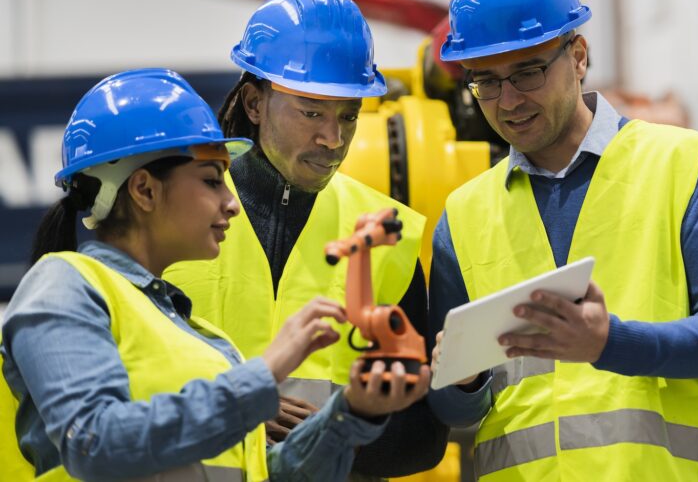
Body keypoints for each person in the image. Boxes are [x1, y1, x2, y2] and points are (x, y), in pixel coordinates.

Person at [427, 0, 698, 481]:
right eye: (486, 81)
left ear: (579, 56)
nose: (508, 101)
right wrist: (463, 383)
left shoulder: (683, 167)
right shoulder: (463, 216)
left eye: (527, 72)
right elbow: (453, 410)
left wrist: (611, 344)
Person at [0, 68, 427, 481]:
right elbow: (94, 443)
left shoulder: (202, 337)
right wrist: (263, 376)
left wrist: (351, 413)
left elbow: (265, 473)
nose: (232, 202)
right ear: (145, 190)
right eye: (211, 180)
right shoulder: (63, 287)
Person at [164, 0, 446, 478]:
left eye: (348, 116)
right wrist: (239, 413)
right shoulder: (172, 222)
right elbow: (119, 398)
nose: (332, 139)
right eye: (311, 112)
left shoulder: (388, 237)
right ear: (254, 103)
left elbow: (424, 437)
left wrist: (338, 429)